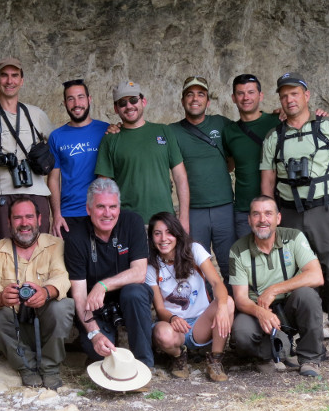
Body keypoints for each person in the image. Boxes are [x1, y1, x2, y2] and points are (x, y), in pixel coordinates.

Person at [261, 73, 329, 368]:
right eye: (284, 95)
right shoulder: (274, 137)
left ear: (306, 96)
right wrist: (270, 222)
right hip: (290, 214)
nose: (289, 99)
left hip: (326, 211)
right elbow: (267, 184)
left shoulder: (328, 127)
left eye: (294, 93)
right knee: (293, 279)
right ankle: (304, 347)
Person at [0, 196, 74, 389]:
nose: (24, 223)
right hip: (15, 330)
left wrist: (46, 292)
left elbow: (62, 277)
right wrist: (1, 297)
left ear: (39, 219)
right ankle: (26, 365)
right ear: (9, 222)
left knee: (63, 306)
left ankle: (50, 367)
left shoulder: (56, 245)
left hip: (46, 326)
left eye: (29, 217)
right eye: (18, 218)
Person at [229, 196, 325, 377]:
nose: (262, 219)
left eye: (268, 214)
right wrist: (260, 312)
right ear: (249, 220)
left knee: (307, 295)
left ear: (278, 218)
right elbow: (240, 298)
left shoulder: (294, 237)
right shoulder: (238, 250)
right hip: (259, 311)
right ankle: (274, 353)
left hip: (290, 307)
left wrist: (274, 289)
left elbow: (316, 276)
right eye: (256, 214)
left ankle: (310, 358)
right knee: (241, 332)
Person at [64, 178, 154, 368]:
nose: (107, 213)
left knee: (135, 292)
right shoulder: (75, 237)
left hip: (128, 299)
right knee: (100, 355)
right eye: (100, 207)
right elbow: (79, 296)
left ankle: (145, 366)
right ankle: (100, 341)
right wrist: (94, 334)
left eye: (113, 207)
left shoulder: (132, 222)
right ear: (88, 209)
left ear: (119, 209)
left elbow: (139, 272)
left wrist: (102, 285)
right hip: (94, 305)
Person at [0, 58, 54, 242]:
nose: (10, 81)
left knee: (40, 251)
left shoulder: (37, 115)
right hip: (0, 194)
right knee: (4, 252)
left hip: (36, 192)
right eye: (4, 76)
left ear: (22, 80)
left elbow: (59, 145)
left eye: (15, 76)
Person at [147, 212, 234, 382]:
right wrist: (172, 318)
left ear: (177, 234)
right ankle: (179, 357)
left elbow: (217, 283)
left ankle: (215, 360)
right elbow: (160, 309)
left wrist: (222, 307)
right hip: (174, 327)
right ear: (152, 237)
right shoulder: (152, 266)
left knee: (228, 302)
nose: (163, 238)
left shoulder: (194, 250)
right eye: (157, 233)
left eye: (169, 232)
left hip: (201, 323)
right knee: (161, 333)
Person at [94, 81, 190, 230]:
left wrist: (184, 218)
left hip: (165, 223)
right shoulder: (110, 139)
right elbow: (103, 188)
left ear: (143, 101)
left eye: (133, 100)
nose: (129, 106)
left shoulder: (163, 131)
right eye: (122, 103)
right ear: (115, 108)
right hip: (128, 224)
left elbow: (180, 177)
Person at [168, 76, 235, 284]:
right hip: (193, 211)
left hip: (224, 207)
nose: (195, 99)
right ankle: (206, 313)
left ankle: (236, 311)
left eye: (200, 94)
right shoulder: (172, 131)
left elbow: (234, 154)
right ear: (182, 101)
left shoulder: (221, 123)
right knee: (197, 265)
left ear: (208, 101)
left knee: (230, 264)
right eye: (189, 94)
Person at [222, 74, 281, 239]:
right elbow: (230, 165)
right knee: (248, 260)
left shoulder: (277, 121)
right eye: (240, 93)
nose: (246, 97)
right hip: (245, 209)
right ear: (233, 98)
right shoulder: (229, 132)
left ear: (260, 95)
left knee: (278, 259)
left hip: (278, 205)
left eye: (251, 92)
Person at [47, 79, 109, 238]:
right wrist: (57, 215)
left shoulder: (107, 131)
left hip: (102, 211)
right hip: (69, 215)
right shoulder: (56, 136)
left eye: (81, 97)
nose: (76, 103)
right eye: (70, 99)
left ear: (89, 99)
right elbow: (53, 179)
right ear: (65, 103)